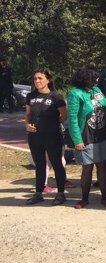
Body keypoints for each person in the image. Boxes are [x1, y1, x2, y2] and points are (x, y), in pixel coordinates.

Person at [67, 67, 106, 209]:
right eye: (95, 77)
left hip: (101, 134)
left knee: (102, 167)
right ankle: (84, 199)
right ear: (86, 78)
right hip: (85, 135)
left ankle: (104, 197)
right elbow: (72, 119)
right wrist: (77, 140)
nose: (98, 80)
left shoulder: (97, 91)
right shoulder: (75, 94)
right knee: (87, 168)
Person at [24, 68, 67, 205]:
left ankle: (60, 194)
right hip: (35, 136)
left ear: (48, 80)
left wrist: (52, 124)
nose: (37, 81)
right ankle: (38, 193)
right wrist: (27, 125)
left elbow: (64, 115)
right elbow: (28, 115)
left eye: (40, 78)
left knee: (57, 164)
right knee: (40, 165)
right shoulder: (30, 96)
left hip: (53, 136)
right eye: (35, 78)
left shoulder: (56, 97)